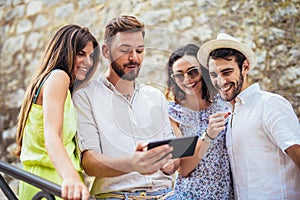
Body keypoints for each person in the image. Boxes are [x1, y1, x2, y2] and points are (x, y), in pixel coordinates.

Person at [72, 15, 176, 199]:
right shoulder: (86, 96)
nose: (134, 58)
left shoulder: (155, 96)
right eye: (125, 50)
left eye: (140, 50)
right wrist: (133, 164)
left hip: (166, 194)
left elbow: (171, 154)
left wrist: (172, 162)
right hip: (117, 195)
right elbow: (89, 162)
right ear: (105, 51)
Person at [197, 33, 300, 199]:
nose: (221, 82)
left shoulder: (269, 104)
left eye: (227, 72)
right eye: (214, 75)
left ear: (245, 67)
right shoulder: (229, 115)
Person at [15, 24, 100, 200]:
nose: (88, 62)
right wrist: (71, 177)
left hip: (50, 180)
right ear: (64, 52)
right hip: (54, 181)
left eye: (91, 56)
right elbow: (52, 135)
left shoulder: (56, 84)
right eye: (81, 54)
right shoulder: (59, 77)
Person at [165, 44, 234, 199]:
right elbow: (183, 169)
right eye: (179, 75)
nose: (187, 79)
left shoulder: (225, 104)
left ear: (204, 70)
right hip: (189, 195)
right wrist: (207, 136)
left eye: (193, 72)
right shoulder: (173, 114)